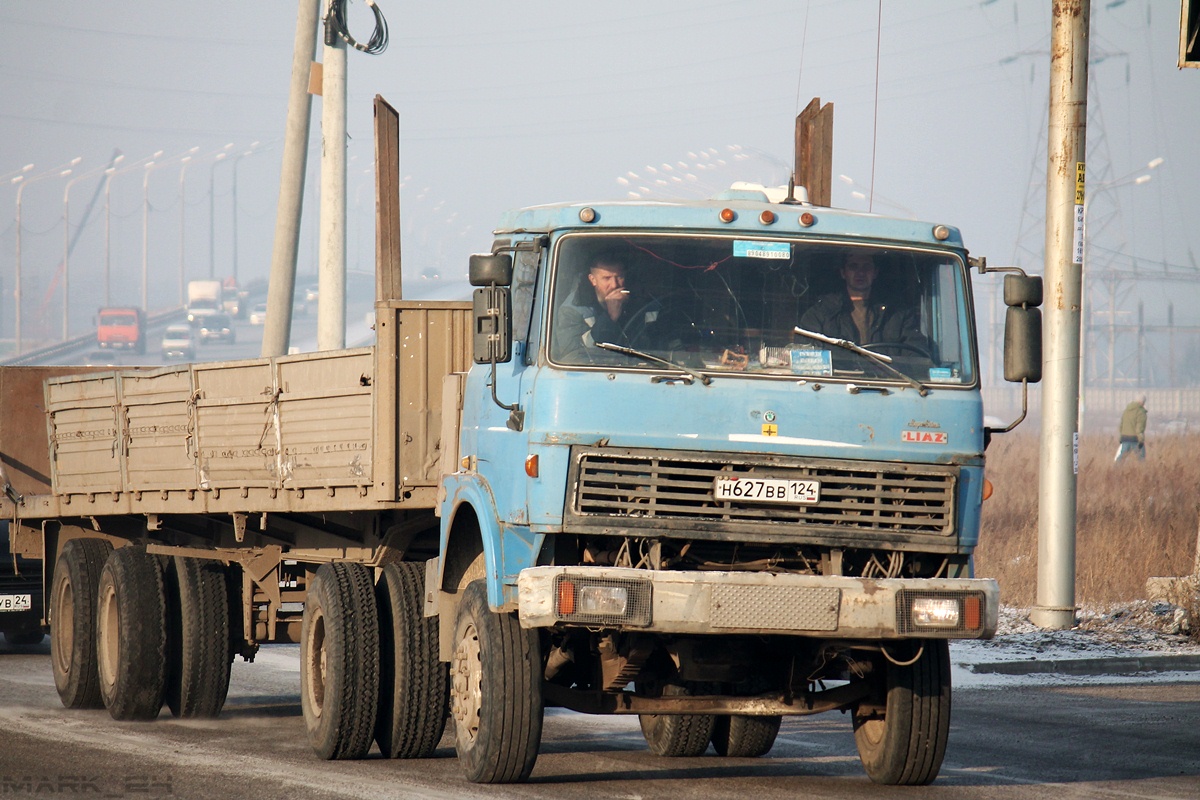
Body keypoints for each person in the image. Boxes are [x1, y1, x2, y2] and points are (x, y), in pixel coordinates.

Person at [799, 250, 927, 349]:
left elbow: (916, 355)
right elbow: (807, 358)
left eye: (866, 267)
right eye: (853, 267)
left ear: (875, 273)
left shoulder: (897, 314)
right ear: (843, 273)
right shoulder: (819, 315)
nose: (860, 273)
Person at [553, 256, 659, 363]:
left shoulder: (645, 304)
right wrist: (610, 317)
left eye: (619, 277)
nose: (614, 285)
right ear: (593, 280)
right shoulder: (573, 309)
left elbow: (664, 344)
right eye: (606, 278)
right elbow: (572, 357)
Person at [1114, 395, 1148, 463]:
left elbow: (1121, 425)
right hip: (1135, 439)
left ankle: (1115, 471)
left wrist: (1121, 437)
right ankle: (1143, 472)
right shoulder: (1141, 412)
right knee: (1141, 459)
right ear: (1142, 402)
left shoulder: (1126, 410)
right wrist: (1141, 440)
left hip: (1125, 438)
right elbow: (1139, 428)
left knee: (1121, 458)